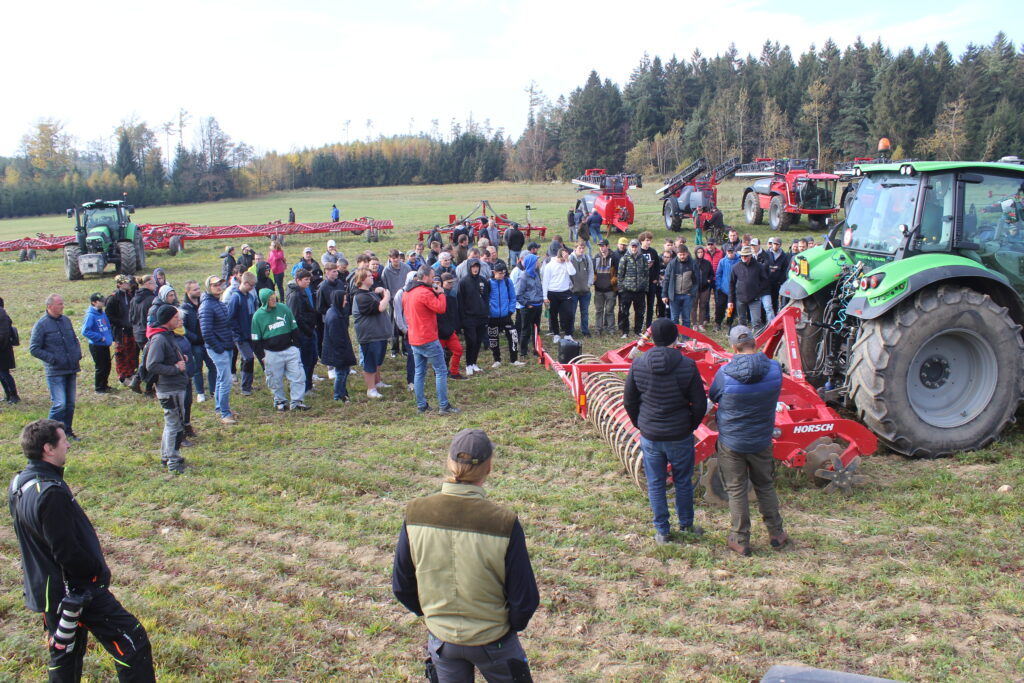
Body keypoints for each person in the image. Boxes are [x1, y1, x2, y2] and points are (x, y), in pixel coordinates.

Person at [8, 419, 157, 681]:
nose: (67, 444)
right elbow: (66, 552)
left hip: (47, 592)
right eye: (62, 440)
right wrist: (96, 573)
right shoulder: (50, 493)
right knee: (133, 643)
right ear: (48, 449)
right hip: (75, 592)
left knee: (65, 653)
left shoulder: (19, 482)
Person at [392, 428, 539, 681]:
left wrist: (435, 618)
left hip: (442, 641)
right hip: (495, 640)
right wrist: (505, 629)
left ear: (449, 463)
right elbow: (524, 598)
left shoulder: (415, 513)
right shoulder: (504, 522)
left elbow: (402, 586)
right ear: (489, 467)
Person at [624, 318, 708, 544]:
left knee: (656, 482)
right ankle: (686, 525)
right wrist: (690, 425)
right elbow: (699, 404)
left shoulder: (638, 365)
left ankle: (662, 531)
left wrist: (641, 424)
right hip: (679, 433)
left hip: (651, 434)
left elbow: (629, 401)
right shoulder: (687, 365)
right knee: (682, 480)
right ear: (675, 338)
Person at [708, 325, 787, 556]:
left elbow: (714, 396)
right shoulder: (774, 369)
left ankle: (740, 539)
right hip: (762, 439)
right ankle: (777, 533)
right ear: (755, 343)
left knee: (736, 489)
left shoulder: (725, 373)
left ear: (733, 347)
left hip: (732, 441)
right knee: (765, 485)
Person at [405, 265, 460, 414]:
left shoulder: (407, 292)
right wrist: (441, 294)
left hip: (414, 338)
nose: (435, 279)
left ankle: (421, 405)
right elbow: (441, 308)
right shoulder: (424, 293)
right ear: (425, 277)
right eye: (432, 276)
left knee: (419, 372)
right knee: (441, 371)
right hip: (428, 337)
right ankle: (444, 405)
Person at [29, 295, 82, 440]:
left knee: (70, 404)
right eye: (59, 304)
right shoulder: (41, 325)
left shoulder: (66, 320)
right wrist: (53, 359)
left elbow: (74, 340)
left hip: (71, 368)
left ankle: (67, 432)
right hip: (55, 372)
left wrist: (77, 354)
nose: (63, 306)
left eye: (62, 303)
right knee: (60, 404)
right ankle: (47, 435)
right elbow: (34, 348)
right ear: (50, 306)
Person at [145, 305, 190, 473]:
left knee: (171, 423)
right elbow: (152, 365)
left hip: (174, 387)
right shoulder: (160, 339)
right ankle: (173, 460)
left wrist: (179, 358)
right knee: (175, 424)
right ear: (169, 319)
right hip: (169, 389)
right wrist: (175, 368)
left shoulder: (167, 336)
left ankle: (166, 455)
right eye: (177, 318)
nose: (180, 320)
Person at [251, 288, 308, 411]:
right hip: (271, 353)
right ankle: (280, 401)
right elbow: (255, 340)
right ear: (265, 301)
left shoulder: (283, 308)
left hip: (289, 349)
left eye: (274, 297)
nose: (274, 300)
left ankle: (297, 402)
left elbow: (294, 327)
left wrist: (296, 346)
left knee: (298, 375)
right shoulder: (258, 316)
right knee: (274, 379)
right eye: (271, 299)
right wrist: (262, 357)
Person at [199, 275, 237, 424]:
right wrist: (219, 348)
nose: (219, 287)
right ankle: (224, 413)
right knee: (226, 380)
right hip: (219, 348)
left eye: (220, 284)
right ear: (209, 287)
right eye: (215, 285)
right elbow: (206, 332)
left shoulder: (218, 303)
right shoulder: (207, 306)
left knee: (222, 379)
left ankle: (219, 408)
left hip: (226, 345)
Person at [352, 265, 393, 398]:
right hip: (370, 336)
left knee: (378, 361)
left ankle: (378, 382)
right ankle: (371, 389)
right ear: (363, 279)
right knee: (370, 362)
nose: (372, 277)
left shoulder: (369, 293)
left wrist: (378, 292)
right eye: (369, 276)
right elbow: (380, 307)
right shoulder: (360, 297)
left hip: (379, 334)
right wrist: (386, 296)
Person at [181, 280, 216, 404]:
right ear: (188, 291)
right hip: (195, 344)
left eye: (198, 288)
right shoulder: (184, 308)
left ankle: (213, 390)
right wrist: (194, 338)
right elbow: (183, 328)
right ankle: (200, 392)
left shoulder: (203, 303)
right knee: (197, 368)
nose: (198, 291)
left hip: (207, 341)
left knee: (212, 366)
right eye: (195, 289)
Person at [286, 269, 320, 393]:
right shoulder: (295, 295)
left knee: (312, 358)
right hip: (304, 334)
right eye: (306, 280)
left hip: (310, 330)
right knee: (305, 361)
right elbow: (296, 317)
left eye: (309, 279)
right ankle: (304, 387)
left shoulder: (303, 291)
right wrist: (308, 330)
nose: (308, 282)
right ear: (298, 280)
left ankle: (309, 384)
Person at [321, 289, 357, 402]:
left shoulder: (333, 312)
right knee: (341, 373)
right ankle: (338, 396)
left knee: (344, 371)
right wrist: (342, 351)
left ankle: (343, 393)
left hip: (338, 349)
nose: (346, 302)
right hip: (338, 351)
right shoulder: (335, 317)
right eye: (345, 299)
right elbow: (335, 337)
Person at [457, 258, 490, 376]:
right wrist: (462, 320)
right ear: (469, 268)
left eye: (477, 266)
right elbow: (460, 302)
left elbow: (486, 298)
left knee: (478, 341)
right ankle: (468, 364)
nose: (475, 269)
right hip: (469, 317)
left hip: (481, 317)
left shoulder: (483, 281)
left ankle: (474, 363)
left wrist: (486, 313)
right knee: (471, 340)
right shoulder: (463, 282)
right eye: (473, 267)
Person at [227, 272, 259, 396]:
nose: (252, 288)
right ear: (245, 283)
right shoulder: (236, 297)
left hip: (250, 334)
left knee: (246, 359)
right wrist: (238, 334)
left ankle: (247, 384)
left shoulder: (249, 296)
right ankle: (245, 388)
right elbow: (231, 318)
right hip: (240, 336)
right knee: (248, 358)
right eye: (251, 285)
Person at [486, 262, 521, 368]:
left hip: (506, 316)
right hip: (493, 317)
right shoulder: (488, 283)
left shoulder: (507, 281)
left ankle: (514, 359)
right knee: (493, 339)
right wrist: (489, 312)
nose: (502, 275)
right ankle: (497, 359)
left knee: (513, 336)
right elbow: (485, 299)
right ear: (494, 272)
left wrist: (510, 311)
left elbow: (512, 297)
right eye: (500, 273)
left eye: (504, 273)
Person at [104, 275, 137, 386]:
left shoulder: (129, 295)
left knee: (131, 351)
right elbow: (109, 316)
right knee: (121, 354)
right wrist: (122, 323)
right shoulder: (113, 298)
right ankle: (123, 376)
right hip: (120, 331)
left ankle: (131, 372)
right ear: (119, 284)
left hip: (130, 329)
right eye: (125, 283)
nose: (128, 284)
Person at [542, 246, 577, 344]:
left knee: (569, 313)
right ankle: (556, 334)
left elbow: (572, 272)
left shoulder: (567, 262)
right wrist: (545, 297)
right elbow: (545, 282)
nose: (565, 259)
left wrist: (567, 261)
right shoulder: (550, 265)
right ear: (559, 256)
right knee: (553, 315)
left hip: (565, 292)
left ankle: (568, 334)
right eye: (564, 257)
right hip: (552, 292)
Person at [128, 275, 157, 393]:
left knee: (146, 358)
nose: (155, 286)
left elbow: (131, 318)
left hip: (137, 333)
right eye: (154, 283)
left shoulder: (134, 299)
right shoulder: (152, 299)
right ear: (147, 284)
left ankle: (139, 381)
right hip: (148, 333)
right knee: (152, 360)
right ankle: (147, 386)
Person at [729, 246, 769, 330]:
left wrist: (758, 290)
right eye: (742, 256)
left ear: (750, 255)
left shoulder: (759, 266)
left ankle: (758, 340)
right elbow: (731, 284)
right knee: (741, 321)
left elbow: (765, 280)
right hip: (740, 298)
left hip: (754, 298)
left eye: (746, 256)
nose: (744, 257)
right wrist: (730, 300)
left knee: (756, 321)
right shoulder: (735, 267)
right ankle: (743, 339)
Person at [81, 293, 113, 394]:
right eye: (101, 301)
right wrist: (100, 338)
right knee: (101, 366)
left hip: (105, 344)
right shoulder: (90, 315)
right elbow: (85, 331)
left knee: (107, 365)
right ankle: (99, 388)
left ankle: (105, 385)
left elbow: (107, 326)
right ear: (94, 303)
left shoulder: (102, 313)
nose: (103, 302)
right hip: (97, 345)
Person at [661, 246, 699, 331]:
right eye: (680, 255)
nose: (682, 256)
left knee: (686, 318)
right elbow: (666, 280)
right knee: (674, 318)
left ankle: (685, 338)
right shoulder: (672, 264)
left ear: (687, 253)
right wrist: (664, 295)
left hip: (687, 296)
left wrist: (692, 292)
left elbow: (696, 281)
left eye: (684, 254)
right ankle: (674, 338)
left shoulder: (693, 264)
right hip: (674, 296)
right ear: (677, 254)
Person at [617, 239, 649, 338]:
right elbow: (620, 275)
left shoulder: (643, 258)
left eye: (636, 246)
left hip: (640, 290)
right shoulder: (624, 258)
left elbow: (646, 274)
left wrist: (645, 287)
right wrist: (621, 289)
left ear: (638, 247)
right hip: (627, 290)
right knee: (624, 312)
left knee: (640, 312)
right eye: (632, 246)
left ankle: (638, 330)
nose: (634, 248)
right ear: (630, 247)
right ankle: (625, 331)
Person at [437, 272, 465, 379]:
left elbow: (455, 313)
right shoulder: (438, 296)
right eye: (448, 283)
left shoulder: (453, 296)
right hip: (440, 332)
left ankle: (454, 372)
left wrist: (456, 327)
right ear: (442, 283)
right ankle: (440, 373)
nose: (451, 285)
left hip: (450, 331)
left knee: (458, 350)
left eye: (452, 283)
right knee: (439, 356)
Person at [569, 240, 594, 337]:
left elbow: (591, 272)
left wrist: (589, 285)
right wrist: (571, 286)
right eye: (579, 248)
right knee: (572, 312)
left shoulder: (587, 258)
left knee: (585, 312)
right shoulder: (570, 258)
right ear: (575, 248)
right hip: (573, 292)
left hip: (585, 291)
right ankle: (570, 330)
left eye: (583, 248)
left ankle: (585, 330)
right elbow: (567, 273)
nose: (581, 250)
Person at [592, 238, 617, 336]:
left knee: (610, 310)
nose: (601, 248)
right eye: (600, 246)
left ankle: (611, 329)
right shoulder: (596, 258)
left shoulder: (614, 258)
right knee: (599, 310)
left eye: (603, 246)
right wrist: (594, 280)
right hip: (598, 289)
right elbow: (593, 272)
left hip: (610, 289)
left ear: (607, 246)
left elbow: (618, 271)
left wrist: (614, 281)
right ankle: (598, 329)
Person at [638, 232, 660, 329]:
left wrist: (655, 278)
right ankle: (640, 324)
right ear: (641, 241)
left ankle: (649, 324)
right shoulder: (638, 252)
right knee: (641, 305)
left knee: (650, 304)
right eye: (647, 240)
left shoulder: (653, 252)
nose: (648, 242)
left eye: (650, 240)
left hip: (651, 282)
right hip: (641, 283)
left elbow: (657, 266)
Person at [714, 245, 738, 331]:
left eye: (732, 252)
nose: (730, 254)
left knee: (730, 308)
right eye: (729, 252)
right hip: (723, 289)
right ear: (726, 252)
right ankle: (718, 322)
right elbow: (718, 274)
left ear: (735, 252)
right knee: (720, 306)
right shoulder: (722, 261)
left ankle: (729, 322)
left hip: (734, 290)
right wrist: (719, 286)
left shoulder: (738, 261)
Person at [691, 246, 715, 332]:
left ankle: (701, 324)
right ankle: (694, 324)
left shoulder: (707, 263)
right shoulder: (692, 263)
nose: (700, 254)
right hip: (694, 288)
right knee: (693, 306)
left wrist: (708, 280)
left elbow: (712, 274)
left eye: (701, 252)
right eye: (698, 252)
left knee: (703, 306)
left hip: (705, 288)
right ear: (696, 253)